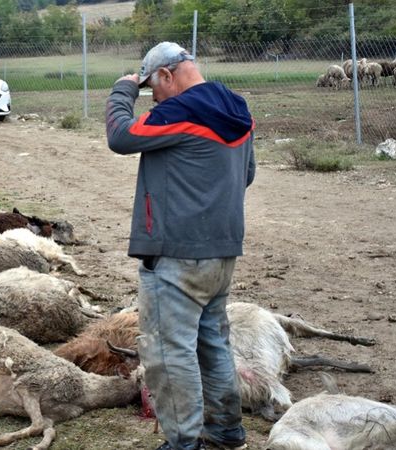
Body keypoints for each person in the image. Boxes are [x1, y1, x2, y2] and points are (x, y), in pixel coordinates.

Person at [105, 42, 255, 450]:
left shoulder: (178, 111)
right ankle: (226, 432)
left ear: (169, 75)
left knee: (169, 354)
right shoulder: (237, 108)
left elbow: (120, 136)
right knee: (212, 342)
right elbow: (248, 173)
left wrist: (124, 90)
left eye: (154, 87)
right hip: (222, 252)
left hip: (176, 255)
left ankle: (183, 443)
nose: (153, 97)